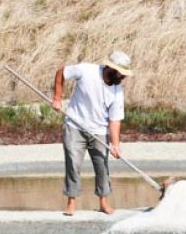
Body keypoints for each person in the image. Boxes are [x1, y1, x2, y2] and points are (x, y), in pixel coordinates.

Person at [52, 51, 132, 216]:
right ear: (110, 68)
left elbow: (115, 120)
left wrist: (115, 145)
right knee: (73, 164)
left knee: (102, 166)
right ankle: (71, 202)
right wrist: (57, 98)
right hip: (75, 125)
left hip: (99, 131)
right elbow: (61, 73)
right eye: (121, 73)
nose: (123, 77)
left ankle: (103, 202)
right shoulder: (86, 70)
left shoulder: (118, 91)